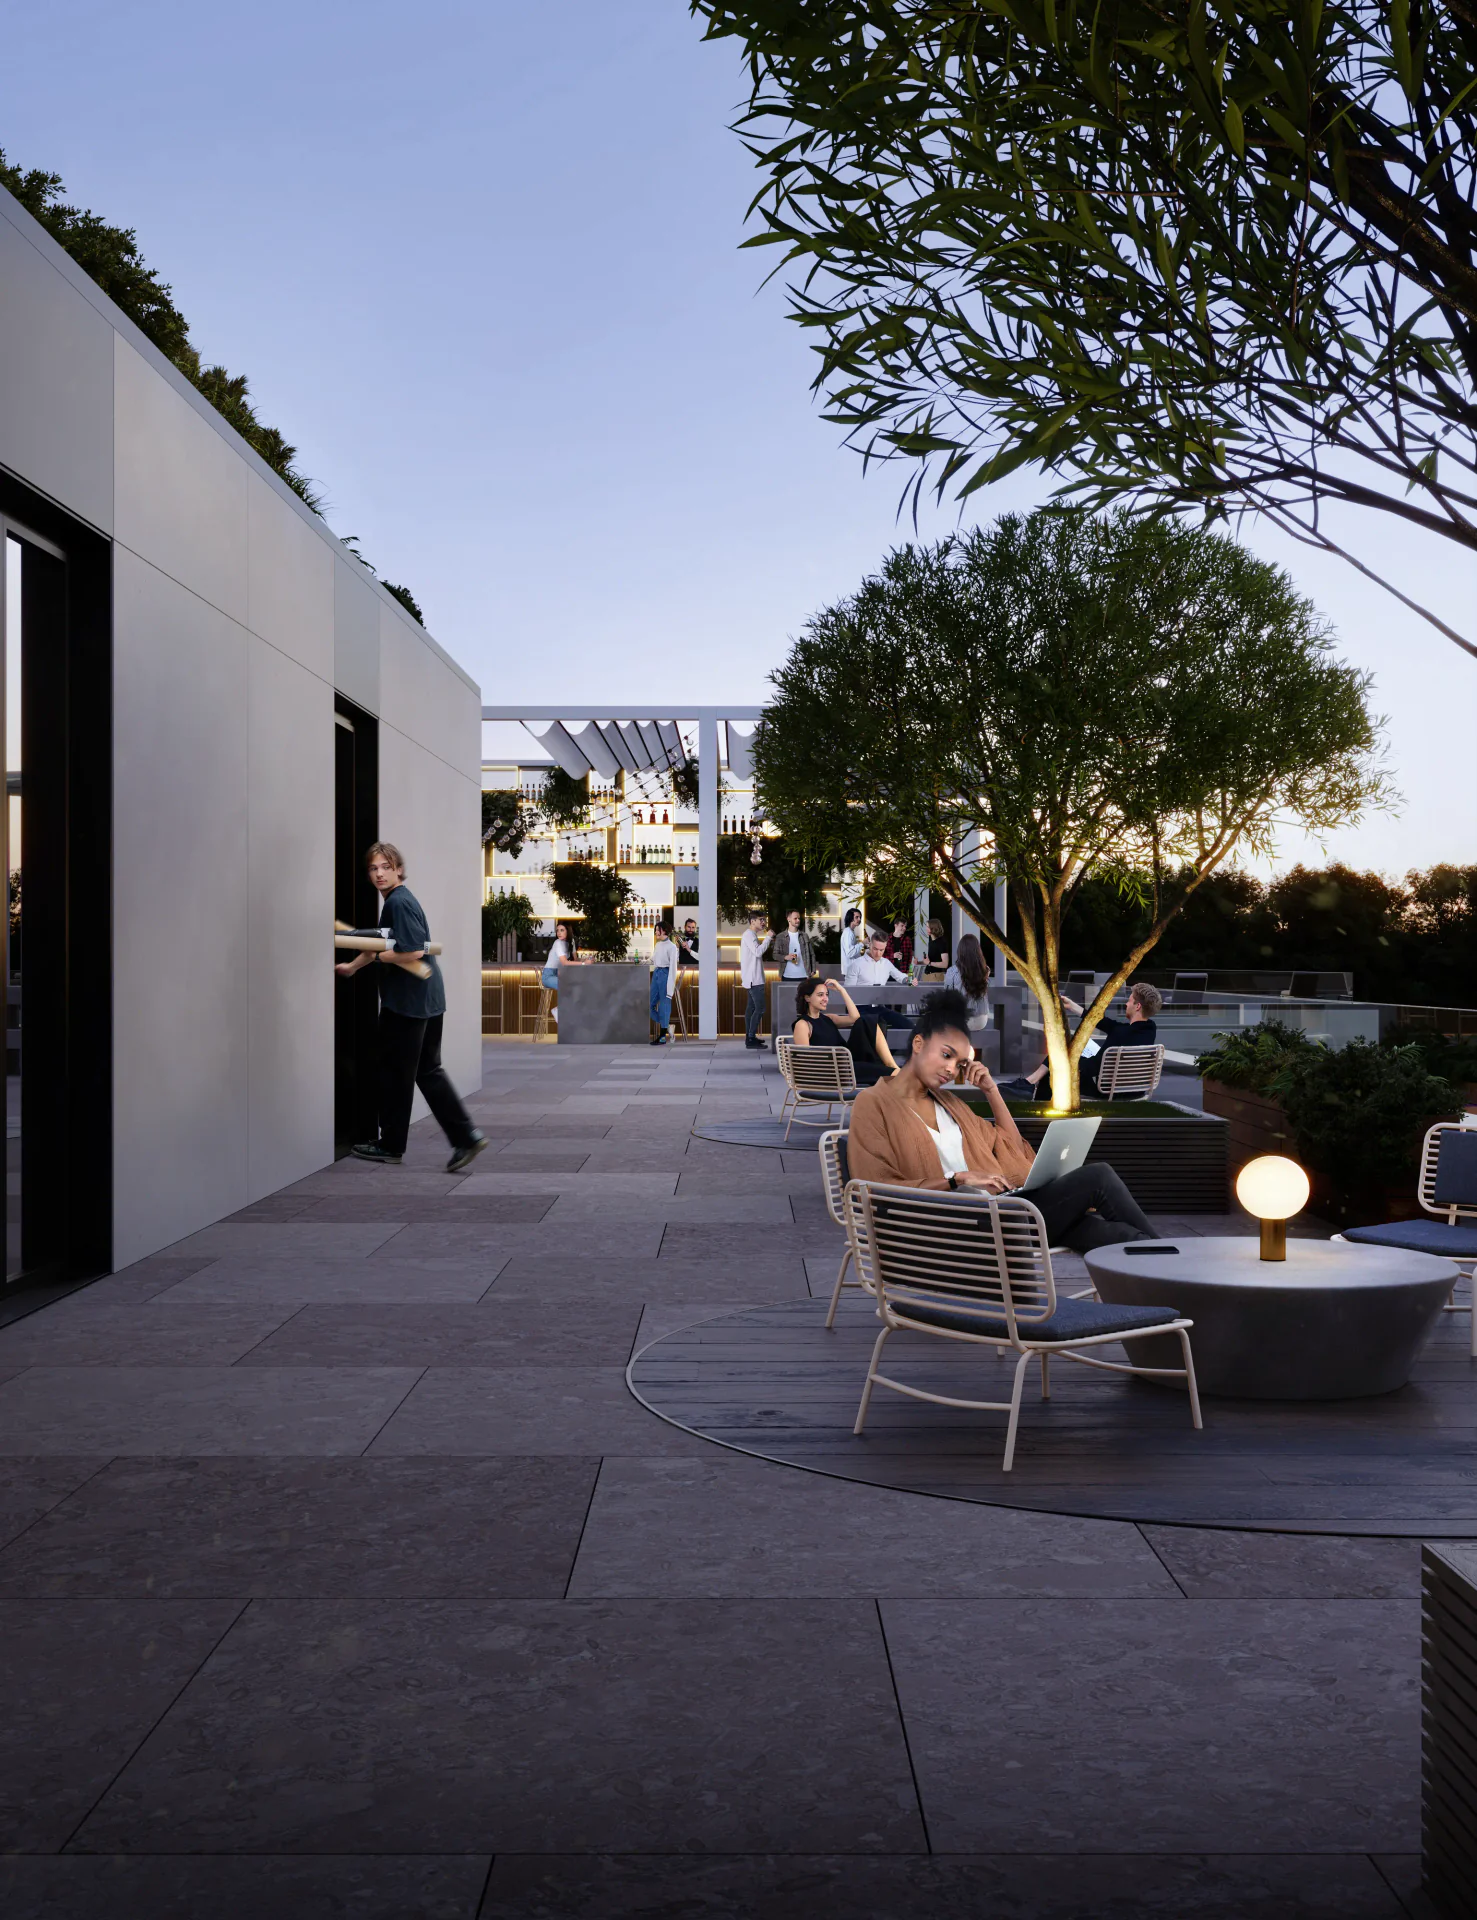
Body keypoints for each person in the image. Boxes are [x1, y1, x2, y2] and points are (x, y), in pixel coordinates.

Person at [846, 989, 1158, 1252]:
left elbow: (1008, 1145)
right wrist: (958, 1179)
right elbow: (875, 1188)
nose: (951, 1070)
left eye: (960, 1063)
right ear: (918, 1044)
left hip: (1004, 1212)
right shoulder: (873, 1104)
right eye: (946, 1055)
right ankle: (1180, 1268)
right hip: (963, 1224)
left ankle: (1176, 1285)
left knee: (1126, 1239)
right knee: (1099, 1176)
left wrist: (992, 1091)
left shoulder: (949, 1103)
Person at [334, 842, 486, 1172]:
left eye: (385, 867)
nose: (378, 873)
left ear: (398, 869)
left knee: (394, 1074)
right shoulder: (400, 901)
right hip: (429, 998)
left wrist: (383, 957)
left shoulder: (399, 903)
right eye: (373, 868)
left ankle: (390, 1145)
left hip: (408, 1004)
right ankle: (466, 1137)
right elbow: (379, 942)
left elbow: (412, 950)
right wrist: (353, 966)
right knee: (428, 1071)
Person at [1001, 981, 1163, 1102]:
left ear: (1137, 1006)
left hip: (1107, 1090)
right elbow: (1106, 1023)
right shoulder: (1149, 1030)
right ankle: (1029, 1085)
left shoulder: (1119, 1035)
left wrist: (1070, 1059)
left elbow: (1093, 1068)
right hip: (1136, 1091)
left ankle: (1030, 1088)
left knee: (1059, 1059)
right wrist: (1073, 1006)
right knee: (1067, 1054)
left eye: (1129, 1001)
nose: (1126, 1003)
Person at [792, 976, 900, 1085]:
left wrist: (842, 990)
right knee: (894, 1074)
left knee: (866, 1021)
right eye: (820, 995)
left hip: (847, 1061)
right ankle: (892, 1070)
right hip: (834, 1071)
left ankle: (891, 1064)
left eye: (827, 994)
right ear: (807, 998)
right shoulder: (803, 1024)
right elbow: (804, 1059)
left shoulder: (829, 1018)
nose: (825, 998)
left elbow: (855, 1018)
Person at [942, 933, 993, 1031]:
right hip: (981, 1021)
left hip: (960, 1021)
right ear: (978, 951)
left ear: (960, 951)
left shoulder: (952, 971)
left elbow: (947, 996)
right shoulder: (985, 970)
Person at [740, 910, 773, 1050]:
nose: (764, 922)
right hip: (754, 979)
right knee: (760, 1008)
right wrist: (769, 937)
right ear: (752, 921)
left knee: (751, 1008)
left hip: (752, 978)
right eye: (761, 919)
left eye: (764, 919)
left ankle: (750, 1037)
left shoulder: (750, 935)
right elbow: (758, 952)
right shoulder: (749, 935)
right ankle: (751, 1037)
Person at [649, 923, 680, 1045]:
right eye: (656, 930)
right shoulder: (657, 945)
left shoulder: (672, 947)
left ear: (665, 931)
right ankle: (667, 1026)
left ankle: (662, 1037)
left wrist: (670, 986)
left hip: (665, 974)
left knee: (664, 1005)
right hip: (656, 973)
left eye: (658, 930)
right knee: (650, 1006)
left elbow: (673, 967)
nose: (656, 932)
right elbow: (653, 958)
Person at [773, 908, 813, 981]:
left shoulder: (804, 936)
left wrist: (813, 970)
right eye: (795, 918)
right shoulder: (780, 937)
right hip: (787, 976)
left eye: (799, 918)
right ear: (788, 919)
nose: (798, 920)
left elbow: (811, 954)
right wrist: (785, 957)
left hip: (804, 975)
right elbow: (775, 955)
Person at [839, 908, 866, 982]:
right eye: (856, 917)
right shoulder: (848, 932)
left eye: (860, 917)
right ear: (850, 918)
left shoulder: (850, 932)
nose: (859, 919)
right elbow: (850, 953)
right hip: (850, 971)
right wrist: (862, 943)